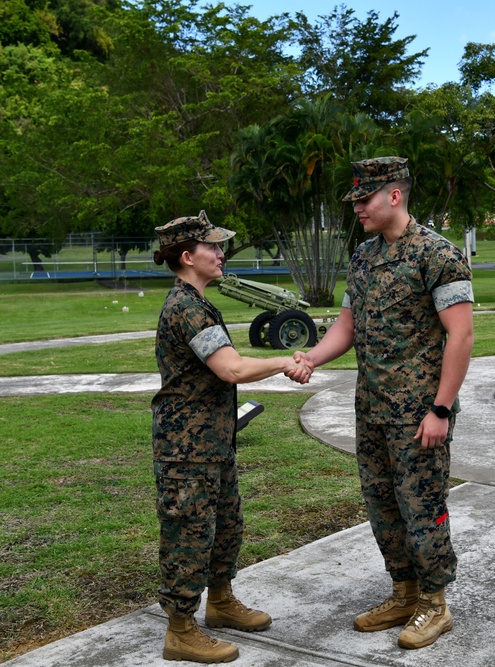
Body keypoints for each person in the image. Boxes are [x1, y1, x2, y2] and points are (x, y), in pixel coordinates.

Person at [294, 157, 474, 650]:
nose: (357, 209)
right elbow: (346, 328)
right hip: (372, 408)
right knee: (381, 503)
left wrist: (440, 409)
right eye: (354, 200)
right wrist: (312, 357)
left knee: (422, 505)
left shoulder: (438, 255)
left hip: (419, 412)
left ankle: (435, 603)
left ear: (394, 195)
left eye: (364, 199)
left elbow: (461, 335)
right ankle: (403, 591)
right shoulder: (363, 257)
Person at [151, 210, 310, 663]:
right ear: (187, 256)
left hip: (212, 442)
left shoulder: (198, 302)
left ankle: (220, 603)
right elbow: (231, 368)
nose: (221, 254)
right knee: (189, 533)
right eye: (212, 248)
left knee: (225, 527)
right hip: (187, 447)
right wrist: (284, 362)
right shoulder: (185, 307)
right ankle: (181, 629)